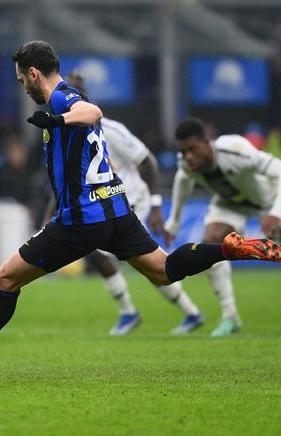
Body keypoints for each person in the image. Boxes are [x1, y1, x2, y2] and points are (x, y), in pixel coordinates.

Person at [0, 41, 281, 370]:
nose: (24, 88)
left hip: (83, 219)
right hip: (116, 210)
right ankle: (226, 249)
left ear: (34, 74)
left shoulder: (62, 99)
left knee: (4, 278)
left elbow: (92, 111)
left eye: (22, 81)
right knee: (163, 270)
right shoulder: (68, 97)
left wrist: (57, 119)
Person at [163, 117, 281, 336]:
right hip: (229, 203)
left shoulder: (235, 151)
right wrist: (174, 221)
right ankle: (230, 316)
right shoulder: (186, 163)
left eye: (192, 149)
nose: (187, 156)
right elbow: (183, 180)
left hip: (267, 202)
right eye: (183, 151)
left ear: (206, 142)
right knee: (211, 241)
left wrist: (275, 212)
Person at [65, 72, 203, 336]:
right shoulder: (68, 135)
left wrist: (156, 205)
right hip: (104, 205)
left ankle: (180, 312)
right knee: (101, 252)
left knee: (143, 261)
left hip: (132, 201)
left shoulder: (110, 130)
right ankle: (147, 312)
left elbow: (147, 161)